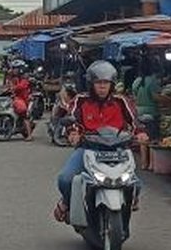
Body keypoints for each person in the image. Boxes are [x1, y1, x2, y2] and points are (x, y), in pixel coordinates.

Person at [54, 61, 146, 222]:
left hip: (118, 150)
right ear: (91, 84)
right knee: (65, 179)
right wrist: (73, 133)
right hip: (88, 148)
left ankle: (131, 200)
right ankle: (66, 202)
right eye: (98, 82)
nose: (102, 86)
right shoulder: (80, 100)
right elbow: (72, 118)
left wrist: (140, 133)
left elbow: (134, 121)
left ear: (112, 84)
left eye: (106, 83)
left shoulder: (121, 101)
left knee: (135, 184)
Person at [131, 62, 161, 141]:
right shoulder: (152, 81)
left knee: (143, 138)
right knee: (153, 138)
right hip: (151, 113)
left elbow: (134, 97)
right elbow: (156, 98)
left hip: (138, 112)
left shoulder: (136, 81)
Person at [8, 62, 35, 140]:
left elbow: (19, 87)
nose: (13, 70)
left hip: (25, 101)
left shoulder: (24, 80)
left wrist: (13, 88)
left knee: (24, 116)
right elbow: (10, 86)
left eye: (15, 68)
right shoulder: (16, 79)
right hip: (19, 99)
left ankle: (29, 135)